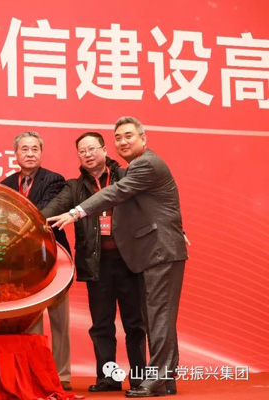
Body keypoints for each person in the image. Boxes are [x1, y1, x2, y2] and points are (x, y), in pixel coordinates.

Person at [48, 117, 187, 398]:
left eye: (129, 136)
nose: (123, 142)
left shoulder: (144, 165)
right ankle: (164, 379)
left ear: (143, 138)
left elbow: (117, 192)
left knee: (155, 318)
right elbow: (162, 206)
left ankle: (155, 378)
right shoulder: (127, 169)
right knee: (156, 318)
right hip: (140, 254)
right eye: (119, 138)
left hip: (157, 251)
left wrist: (76, 212)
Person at [42, 132, 146, 392]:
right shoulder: (74, 187)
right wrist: (29, 220)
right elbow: (51, 211)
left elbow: (152, 206)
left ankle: (140, 378)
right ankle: (108, 378)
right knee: (101, 325)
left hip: (129, 261)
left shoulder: (126, 177)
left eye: (92, 148)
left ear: (104, 149)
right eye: (82, 151)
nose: (87, 154)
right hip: (97, 264)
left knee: (135, 324)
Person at [0, 131, 72, 391]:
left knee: (60, 320)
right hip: (21, 263)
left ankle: (62, 375)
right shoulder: (6, 184)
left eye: (34, 149)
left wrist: (16, 220)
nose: (30, 154)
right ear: (15, 154)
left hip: (53, 258)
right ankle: (33, 374)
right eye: (24, 149)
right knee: (31, 320)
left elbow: (42, 211)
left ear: (41, 153)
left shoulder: (55, 180)